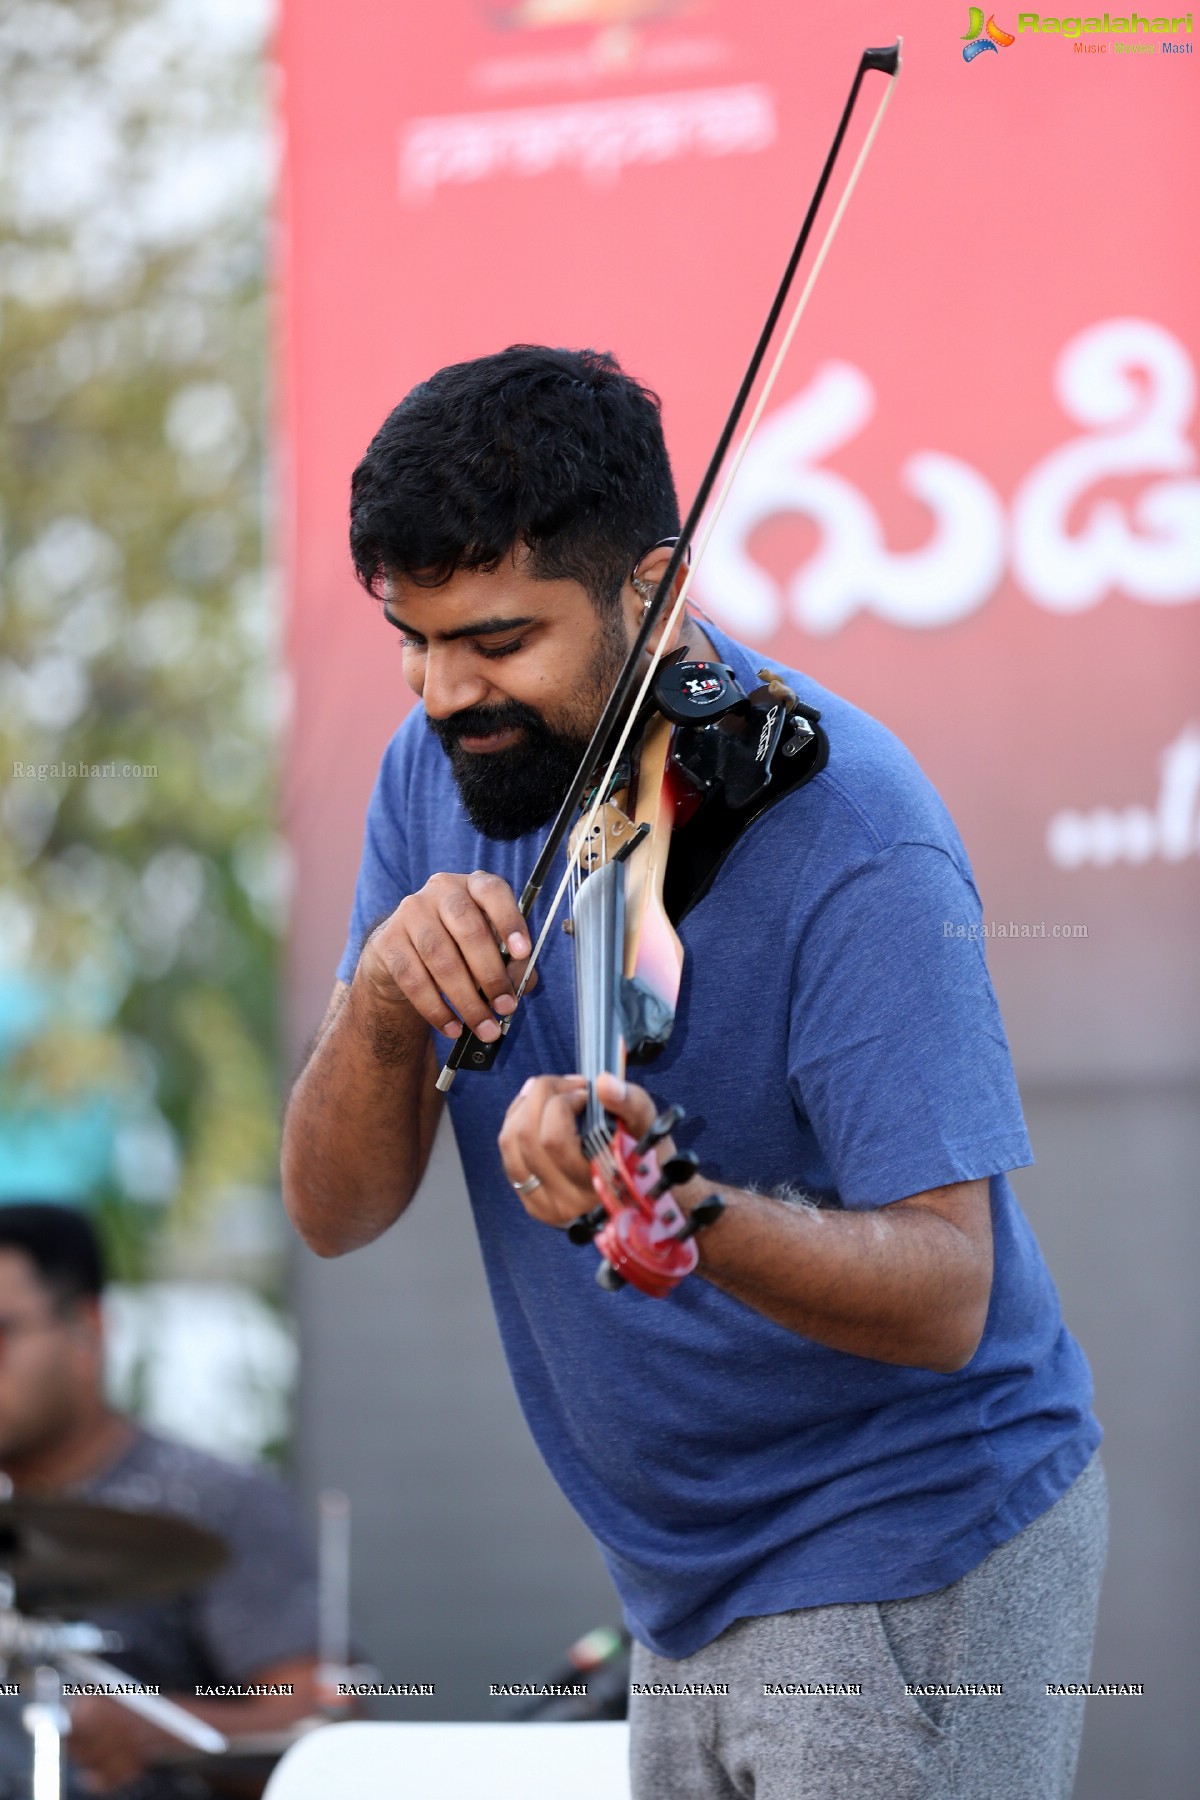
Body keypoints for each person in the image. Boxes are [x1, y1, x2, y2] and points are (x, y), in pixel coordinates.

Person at [282, 345, 1106, 1800]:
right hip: (676, 1579)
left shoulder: (854, 830)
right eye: (413, 641)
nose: (440, 691)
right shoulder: (440, 769)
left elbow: (945, 1296)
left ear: (655, 594)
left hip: (908, 1544)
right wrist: (381, 1009)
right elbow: (334, 1212)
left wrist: (673, 1202)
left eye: (496, 640)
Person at [0, 1204, 321, 1799]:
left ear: (86, 1330)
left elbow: (319, 1720)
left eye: (1, 1333)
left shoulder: (214, 1499)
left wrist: (158, 1732)